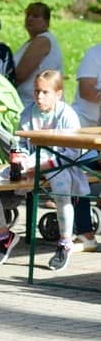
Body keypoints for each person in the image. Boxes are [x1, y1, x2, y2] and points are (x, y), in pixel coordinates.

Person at [0, 70, 91, 272]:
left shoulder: (67, 115)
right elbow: (21, 143)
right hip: (33, 163)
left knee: (61, 188)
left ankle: (65, 242)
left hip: (61, 164)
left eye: (45, 92)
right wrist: (21, 158)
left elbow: (73, 152)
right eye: (36, 91)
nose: (39, 97)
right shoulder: (27, 113)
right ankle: (3, 235)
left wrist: (44, 165)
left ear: (58, 94)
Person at [70, 43, 101, 253]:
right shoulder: (95, 53)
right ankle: (85, 234)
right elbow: (86, 90)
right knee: (75, 168)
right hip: (84, 129)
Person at [13, 2, 62, 108]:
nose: (29, 19)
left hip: (36, 104)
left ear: (46, 22)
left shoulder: (42, 40)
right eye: (28, 15)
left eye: (35, 16)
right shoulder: (32, 41)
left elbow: (20, 75)